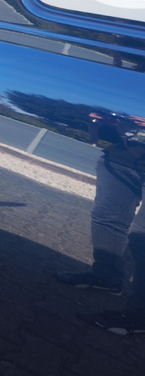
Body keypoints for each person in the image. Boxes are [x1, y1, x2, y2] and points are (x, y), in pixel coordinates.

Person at [55, 112, 145, 335]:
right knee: (106, 218)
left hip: (125, 153)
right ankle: (107, 277)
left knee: (141, 237)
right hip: (121, 157)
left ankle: (139, 317)